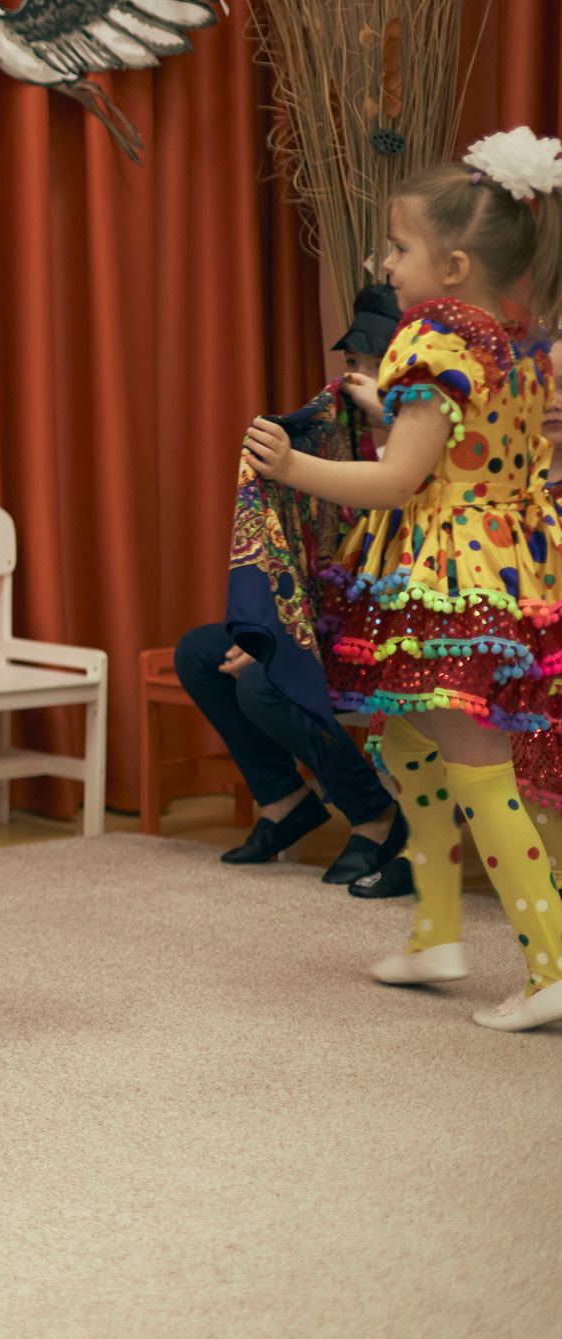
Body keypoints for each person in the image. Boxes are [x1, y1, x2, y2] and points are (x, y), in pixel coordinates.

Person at [245, 129, 562, 1032]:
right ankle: (435, 929)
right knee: (410, 737)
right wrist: (389, 409)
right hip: (506, 558)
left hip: (452, 573)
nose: (384, 262)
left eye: (398, 246)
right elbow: (465, 445)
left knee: (474, 760)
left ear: (453, 265)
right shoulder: (510, 340)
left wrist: (291, 468)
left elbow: (397, 480)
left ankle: (551, 959)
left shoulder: (431, 338)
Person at [178, 282, 409, 893]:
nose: (351, 378)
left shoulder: (421, 444)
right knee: (200, 653)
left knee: (265, 680)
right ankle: (285, 802)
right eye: (350, 363)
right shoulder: (331, 437)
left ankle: (376, 816)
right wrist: (273, 631)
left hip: (396, 637)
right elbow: (308, 555)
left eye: (367, 365)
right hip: (332, 620)